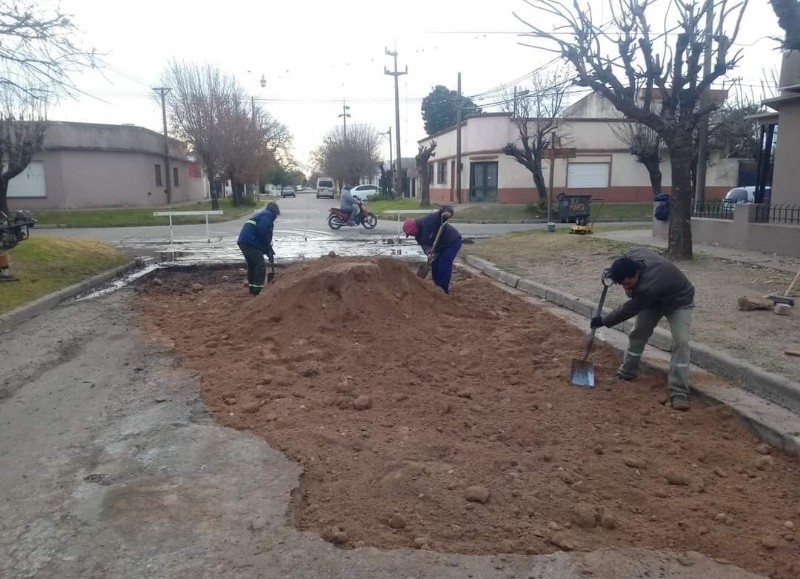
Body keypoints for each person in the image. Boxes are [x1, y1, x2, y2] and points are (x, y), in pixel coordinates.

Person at [590, 247, 695, 411]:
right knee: (638, 333)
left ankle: (678, 392)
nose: (626, 288)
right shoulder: (634, 258)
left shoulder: (648, 287)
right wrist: (612, 272)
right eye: (622, 285)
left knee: (681, 342)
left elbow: (629, 309)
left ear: (636, 274)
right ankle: (627, 372)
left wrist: (603, 320)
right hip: (653, 302)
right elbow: (630, 252)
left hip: (678, 301)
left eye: (628, 284)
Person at [403, 205, 462, 294]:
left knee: (444, 263)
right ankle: (437, 287)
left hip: (452, 241)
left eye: (410, 233)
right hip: (440, 246)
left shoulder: (429, 220)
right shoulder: (418, 237)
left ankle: (443, 290)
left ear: (413, 229)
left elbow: (442, 212)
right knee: (435, 266)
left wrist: (448, 212)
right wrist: (429, 253)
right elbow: (425, 246)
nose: (411, 235)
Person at [237, 201, 280, 296]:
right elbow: (264, 231)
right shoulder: (268, 215)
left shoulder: (262, 214)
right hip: (250, 242)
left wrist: (268, 250)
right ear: (275, 212)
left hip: (244, 242)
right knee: (260, 265)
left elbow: (260, 236)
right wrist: (267, 247)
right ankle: (258, 290)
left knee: (252, 265)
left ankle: (252, 288)